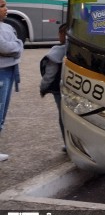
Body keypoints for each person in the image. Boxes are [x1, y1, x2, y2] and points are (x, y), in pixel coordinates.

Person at [0, 0, 24, 162]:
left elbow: (16, 45)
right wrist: (17, 46)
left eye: (5, 5)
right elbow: (5, 47)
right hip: (2, 72)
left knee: (3, 112)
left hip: (9, 70)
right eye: (2, 6)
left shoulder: (6, 26)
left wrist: (16, 46)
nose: (6, 9)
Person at [40, 23, 67, 151]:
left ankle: (68, 145)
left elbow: (49, 74)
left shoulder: (57, 51)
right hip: (74, 90)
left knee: (63, 117)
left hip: (59, 90)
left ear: (62, 35)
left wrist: (43, 88)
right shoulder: (76, 50)